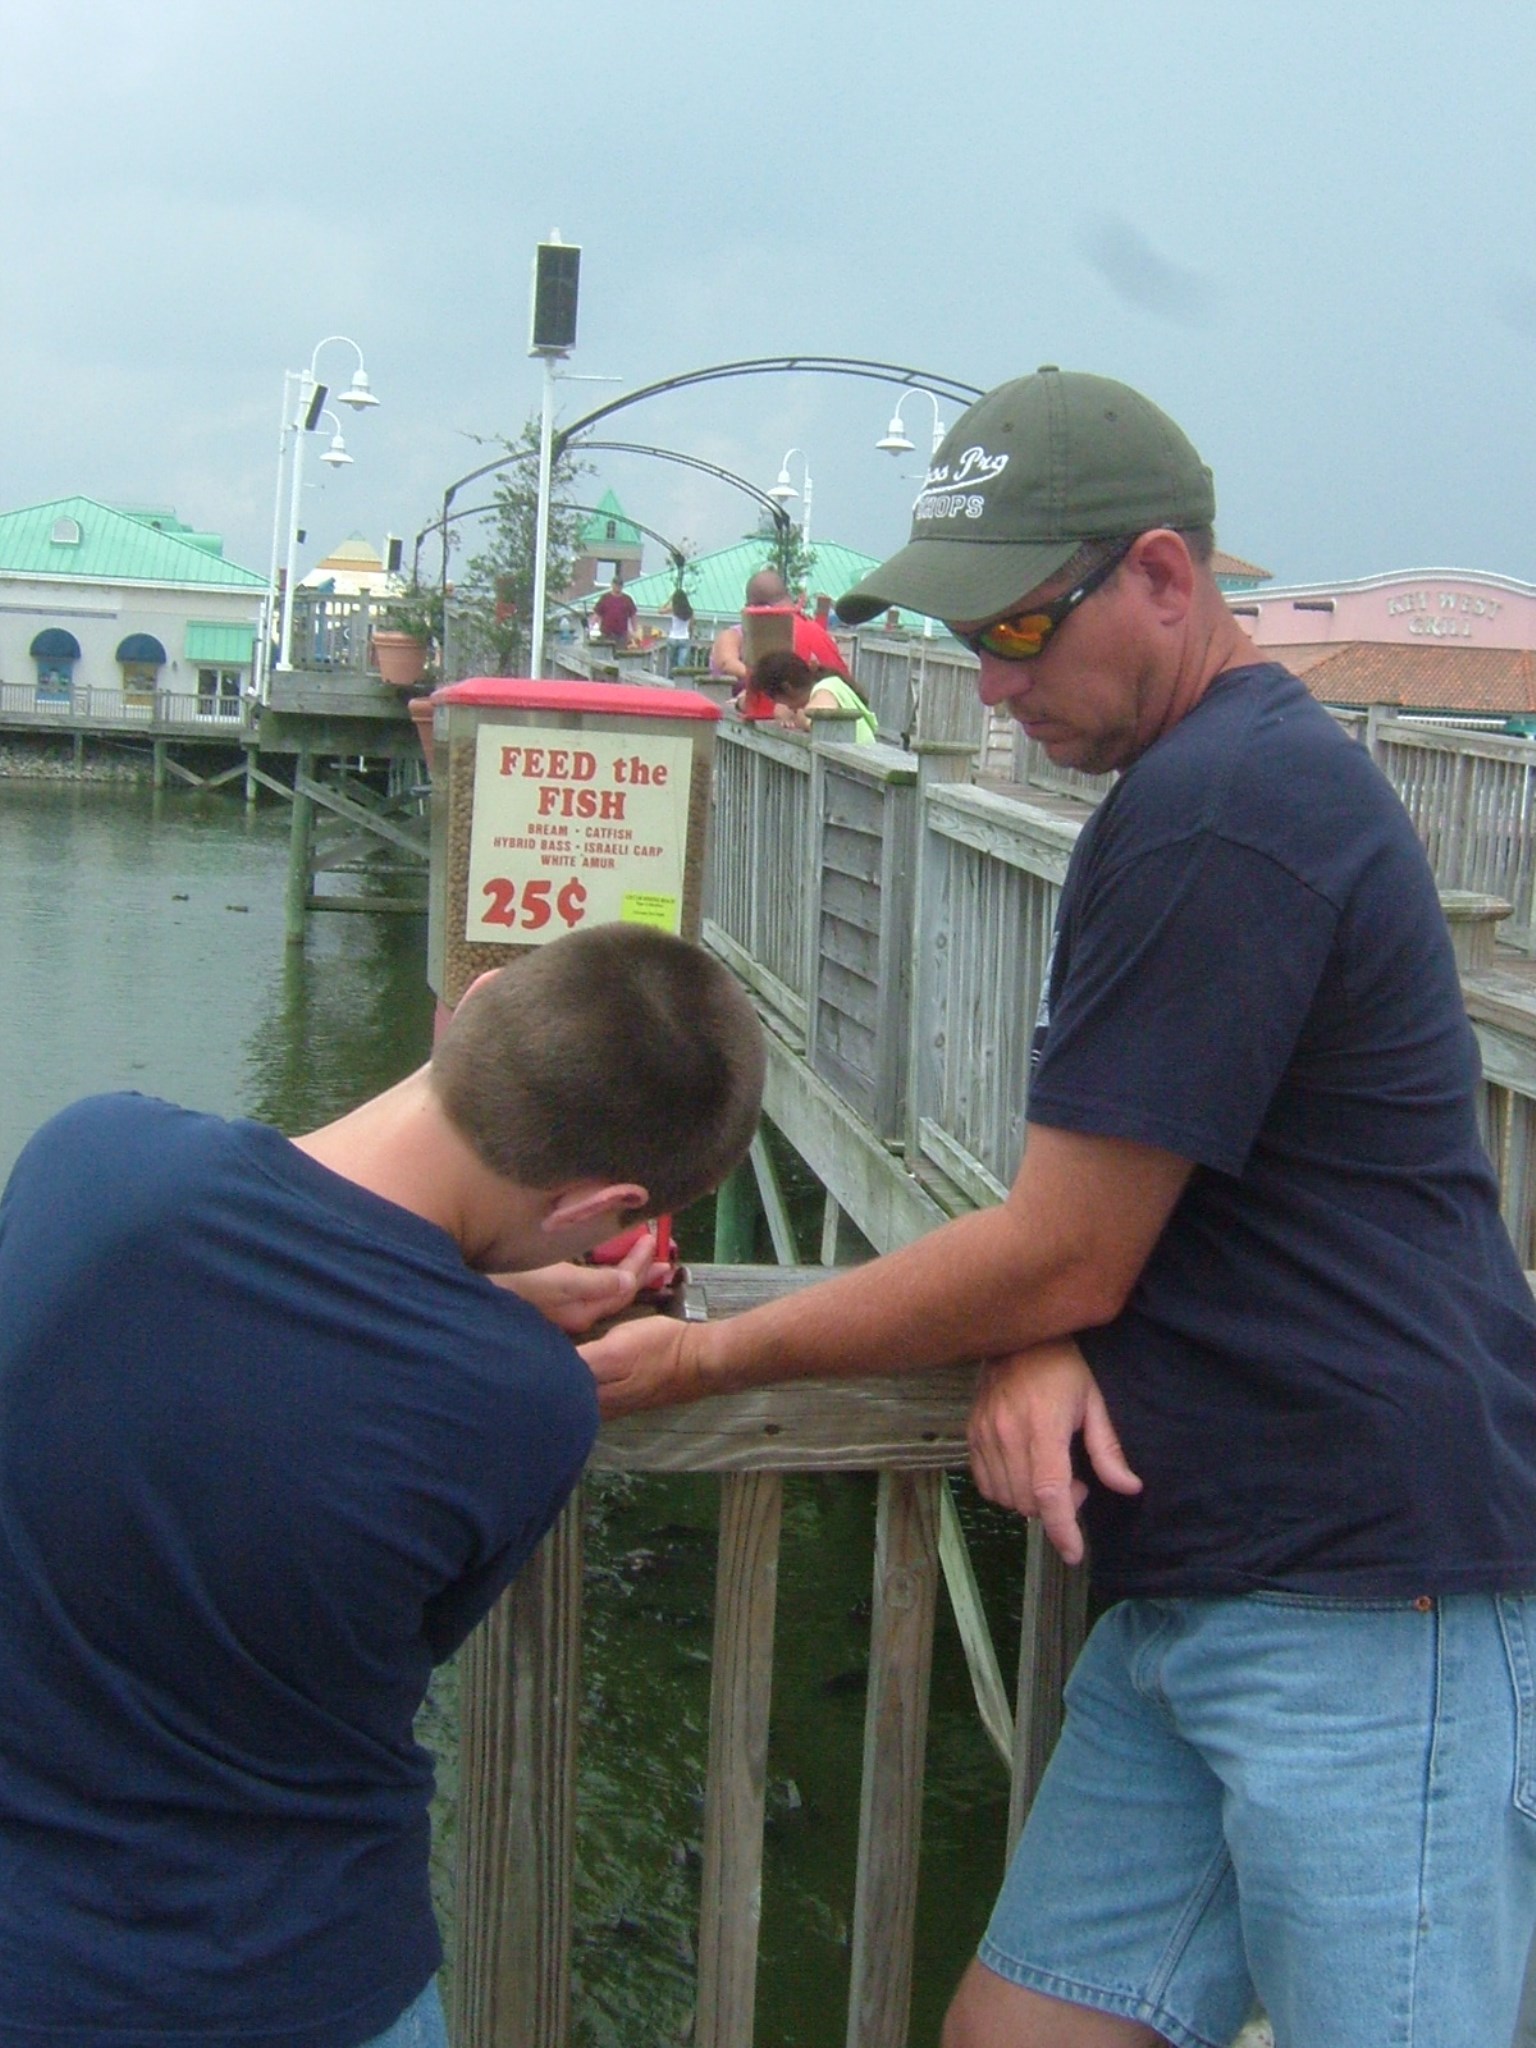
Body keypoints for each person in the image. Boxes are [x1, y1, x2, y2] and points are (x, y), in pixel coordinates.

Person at [584, 368, 1536, 2047]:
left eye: (1018, 630)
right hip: (1210, 1571)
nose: (988, 681)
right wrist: (1030, 1333)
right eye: (968, 637)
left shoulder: (1223, 806)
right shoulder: (1216, 785)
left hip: (1368, 1596)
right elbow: (1112, 1215)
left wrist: (702, 1358)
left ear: (1163, 576)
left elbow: (1064, 1246)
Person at [0, 923, 765, 2048]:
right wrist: (491, 1310)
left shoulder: (90, 1154)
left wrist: (476, 1288)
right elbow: (416, 1621)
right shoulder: (529, 1401)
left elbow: (267, 1278)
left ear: (477, 1000)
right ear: (591, 1206)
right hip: (298, 1976)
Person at [750, 646, 877, 742]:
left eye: (773, 698)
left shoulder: (826, 689)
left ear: (787, 688)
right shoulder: (830, 683)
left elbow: (820, 721)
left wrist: (796, 715)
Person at [590, 573, 636, 649]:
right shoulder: (605, 598)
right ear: (612, 585)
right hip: (606, 635)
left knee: (620, 653)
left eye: (620, 585)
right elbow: (597, 614)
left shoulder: (627, 600)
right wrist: (591, 627)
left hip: (621, 635)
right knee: (606, 653)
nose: (618, 587)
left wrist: (634, 631)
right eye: (616, 584)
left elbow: (633, 616)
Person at [664, 585, 695, 677]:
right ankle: (680, 681)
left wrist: (669, 600)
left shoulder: (673, 609)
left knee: (672, 663)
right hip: (684, 637)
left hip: (673, 637)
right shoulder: (690, 610)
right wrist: (690, 635)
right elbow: (692, 625)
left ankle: (670, 680)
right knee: (682, 664)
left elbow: (660, 610)